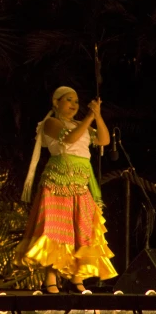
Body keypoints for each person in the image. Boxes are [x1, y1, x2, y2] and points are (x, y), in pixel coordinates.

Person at [15, 86, 116, 294]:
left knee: (82, 229)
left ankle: (76, 279)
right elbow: (69, 139)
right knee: (56, 230)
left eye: (77, 102)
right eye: (69, 100)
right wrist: (89, 118)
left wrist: (96, 116)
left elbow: (104, 140)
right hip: (58, 182)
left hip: (80, 183)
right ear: (56, 102)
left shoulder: (82, 124)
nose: (74, 105)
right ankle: (50, 280)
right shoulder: (50, 123)